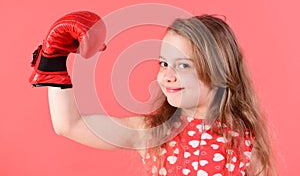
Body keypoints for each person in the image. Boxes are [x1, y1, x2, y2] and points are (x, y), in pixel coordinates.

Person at [29, 11, 276, 175]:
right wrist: (54, 62)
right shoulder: (153, 132)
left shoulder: (243, 139)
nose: (167, 76)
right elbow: (69, 125)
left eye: (183, 65)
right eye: (163, 63)